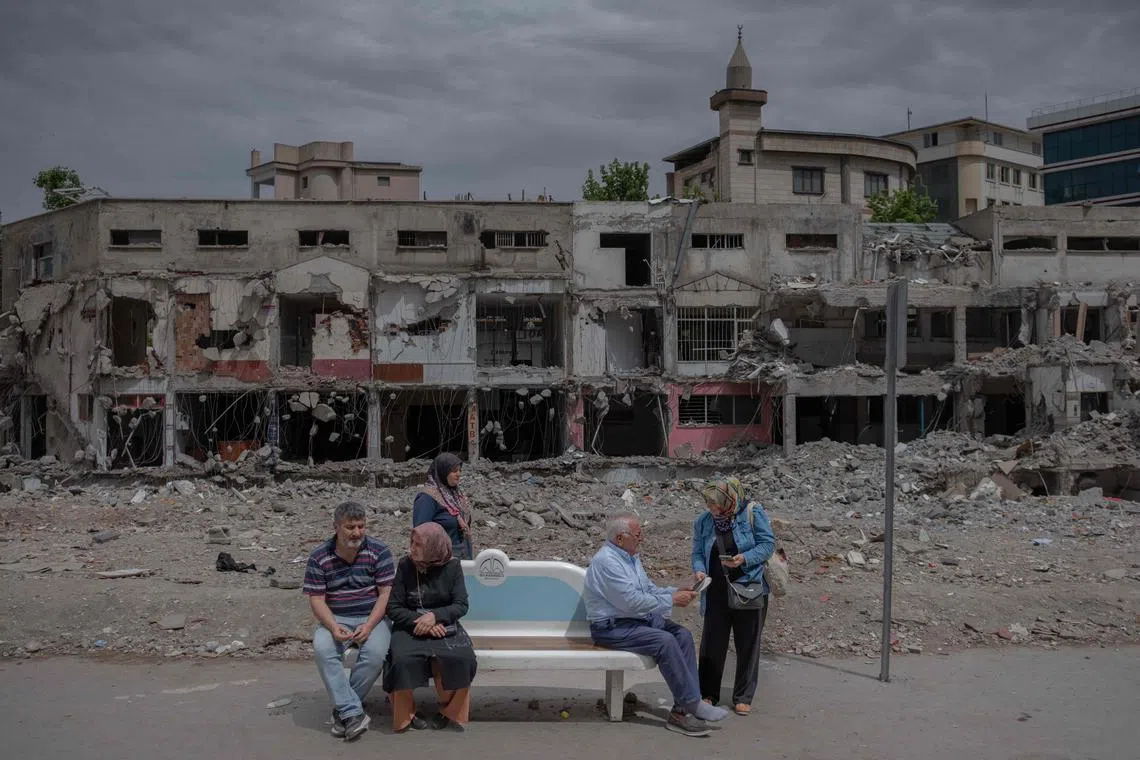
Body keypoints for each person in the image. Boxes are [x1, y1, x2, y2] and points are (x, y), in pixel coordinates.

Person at [583, 512, 730, 737]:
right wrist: (671, 600)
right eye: (637, 535)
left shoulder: (630, 557)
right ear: (620, 538)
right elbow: (631, 602)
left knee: (682, 635)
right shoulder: (607, 562)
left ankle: (682, 711)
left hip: (634, 619)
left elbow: (648, 590)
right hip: (611, 628)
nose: (641, 539)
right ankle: (692, 704)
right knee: (664, 641)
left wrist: (680, 588)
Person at [303, 500, 395, 742]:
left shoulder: (379, 551)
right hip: (337, 617)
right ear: (336, 527)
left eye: (361, 526)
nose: (357, 533)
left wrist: (370, 625)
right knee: (323, 649)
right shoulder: (319, 556)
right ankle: (353, 712)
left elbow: (385, 594)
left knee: (375, 654)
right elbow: (317, 599)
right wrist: (333, 627)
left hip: (372, 616)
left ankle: (343, 711)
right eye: (350, 527)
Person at [691, 478, 776, 716]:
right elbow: (697, 552)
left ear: (730, 500)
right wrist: (699, 569)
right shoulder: (704, 521)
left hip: (748, 586)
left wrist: (744, 558)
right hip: (716, 588)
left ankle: (743, 695)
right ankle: (708, 693)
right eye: (710, 504)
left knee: (748, 642)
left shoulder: (752, 513)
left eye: (717, 505)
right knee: (712, 642)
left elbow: (768, 544)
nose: (713, 510)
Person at [385, 522, 478, 732]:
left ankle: (450, 711)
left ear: (433, 547)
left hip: (444, 623)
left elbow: (461, 604)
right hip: (411, 624)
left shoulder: (452, 567)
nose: (412, 548)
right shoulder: (406, 565)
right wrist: (424, 623)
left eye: (418, 544)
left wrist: (435, 617)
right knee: (401, 659)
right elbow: (393, 607)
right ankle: (407, 714)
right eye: (412, 542)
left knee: (462, 658)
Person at [412, 452, 474, 560]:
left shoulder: (455, 495)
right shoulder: (427, 498)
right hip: (441, 562)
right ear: (443, 472)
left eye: (460, 470)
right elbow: (421, 534)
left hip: (463, 556)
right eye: (454, 471)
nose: (458, 474)